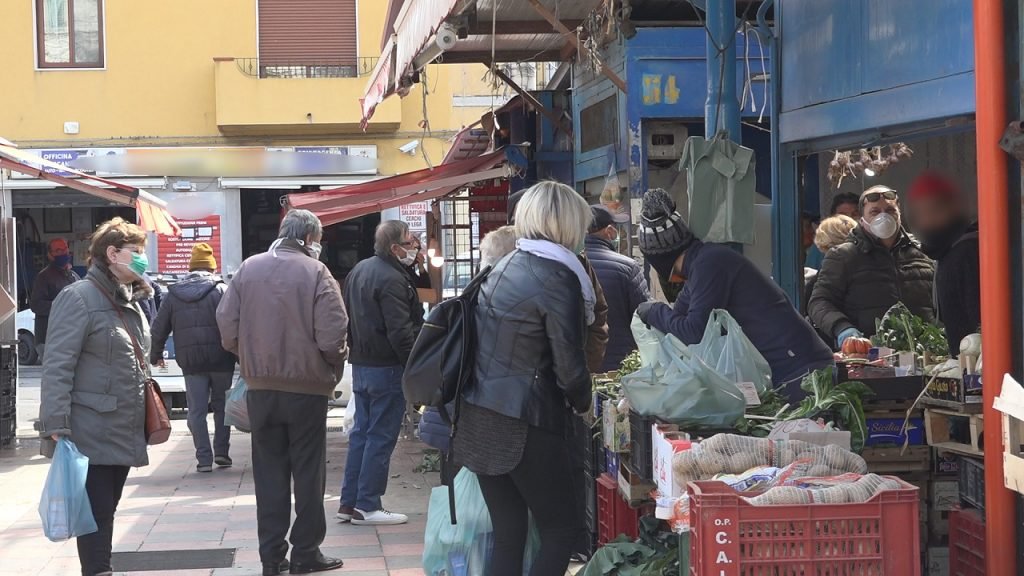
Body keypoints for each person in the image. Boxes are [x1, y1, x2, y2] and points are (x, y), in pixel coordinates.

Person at [456, 181, 593, 576]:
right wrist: (587, 404)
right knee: (560, 529)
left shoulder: (503, 265)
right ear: (567, 223)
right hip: (526, 421)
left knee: (509, 532)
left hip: (479, 415)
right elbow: (569, 368)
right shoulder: (558, 275)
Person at [217, 210, 349, 576]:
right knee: (308, 472)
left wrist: (250, 356)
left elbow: (227, 327)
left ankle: (271, 558)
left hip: (260, 388)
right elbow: (332, 333)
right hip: (306, 388)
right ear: (309, 239)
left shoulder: (248, 269)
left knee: (269, 472)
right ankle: (306, 551)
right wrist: (332, 365)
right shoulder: (316, 272)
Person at [39, 218, 154, 576]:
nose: (141, 260)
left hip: (121, 422)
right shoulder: (78, 298)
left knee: (107, 509)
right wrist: (56, 423)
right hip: (90, 426)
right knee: (97, 513)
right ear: (111, 253)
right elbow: (58, 364)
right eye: (135, 253)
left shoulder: (129, 299)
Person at [635, 189, 834, 395]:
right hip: (786, 369)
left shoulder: (709, 264)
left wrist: (654, 311)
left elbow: (694, 331)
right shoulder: (701, 265)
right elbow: (681, 316)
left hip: (801, 370)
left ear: (660, 262)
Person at [337, 220, 424, 526]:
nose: (414, 248)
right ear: (394, 247)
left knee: (363, 433)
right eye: (410, 243)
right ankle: (368, 505)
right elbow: (401, 332)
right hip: (387, 367)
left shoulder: (360, 270)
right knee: (380, 436)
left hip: (363, 365)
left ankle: (350, 503)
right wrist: (414, 366)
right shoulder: (391, 279)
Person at [417, 226, 518, 476]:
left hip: (453, 417)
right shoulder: (496, 303)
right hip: (472, 419)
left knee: (459, 493)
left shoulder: (468, 300)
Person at [809, 185, 935, 348]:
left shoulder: (923, 251)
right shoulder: (843, 256)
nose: (884, 217)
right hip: (868, 356)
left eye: (890, 210)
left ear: (899, 214)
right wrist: (843, 329)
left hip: (925, 355)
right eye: (875, 212)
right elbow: (819, 302)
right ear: (862, 218)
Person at [151, 243, 236, 473]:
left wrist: (155, 354)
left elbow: (159, 327)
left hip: (191, 362)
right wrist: (241, 355)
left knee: (196, 411)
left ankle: (204, 459)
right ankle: (222, 453)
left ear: (191, 266)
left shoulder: (173, 294)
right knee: (222, 407)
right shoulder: (222, 290)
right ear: (212, 267)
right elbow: (234, 323)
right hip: (221, 359)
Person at [508, 188, 609, 372]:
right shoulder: (507, 262)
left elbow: (598, 315)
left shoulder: (577, 263)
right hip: (532, 387)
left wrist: (587, 368)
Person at [907, 172, 980, 355]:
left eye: (934, 210)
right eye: (920, 214)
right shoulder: (946, 254)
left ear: (955, 208)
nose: (927, 220)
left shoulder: (966, 252)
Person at [585, 205, 650, 372]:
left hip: (579, 367)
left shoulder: (566, 265)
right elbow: (644, 315)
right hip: (619, 366)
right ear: (609, 231)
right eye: (617, 228)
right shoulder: (628, 267)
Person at [31, 237, 81, 360]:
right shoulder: (44, 276)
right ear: (50, 255)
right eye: (58, 250)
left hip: (69, 335)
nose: (63, 252)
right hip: (49, 338)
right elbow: (36, 305)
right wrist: (62, 305)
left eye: (65, 249)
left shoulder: (73, 275)